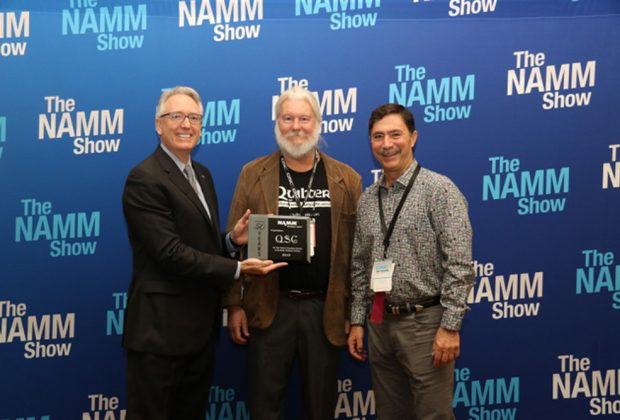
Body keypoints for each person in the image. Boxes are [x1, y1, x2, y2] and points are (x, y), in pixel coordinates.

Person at [122, 86, 285, 420]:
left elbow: (199, 245)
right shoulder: (144, 178)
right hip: (159, 335)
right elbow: (169, 252)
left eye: (194, 118)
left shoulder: (202, 174)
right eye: (176, 116)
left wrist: (231, 241)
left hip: (199, 333)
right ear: (158, 124)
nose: (186, 124)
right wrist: (238, 270)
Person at [223, 86, 362, 420]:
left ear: (318, 123)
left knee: (320, 409)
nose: (296, 126)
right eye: (287, 118)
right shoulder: (252, 173)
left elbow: (357, 256)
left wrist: (354, 314)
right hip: (270, 307)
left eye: (304, 118)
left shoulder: (348, 179)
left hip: (324, 310)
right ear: (277, 123)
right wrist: (233, 304)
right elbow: (233, 243)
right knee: (264, 408)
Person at [347, 104, 475, 420]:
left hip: (426, 324)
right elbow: (360, 265)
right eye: (378, 136)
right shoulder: (367, 199)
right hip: (380, 323)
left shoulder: (439, 190)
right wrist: (357, 321)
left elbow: (459, 263)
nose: (387, 144)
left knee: (433, 415)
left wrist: (450, 327)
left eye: (395, 134)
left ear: (413, 138)